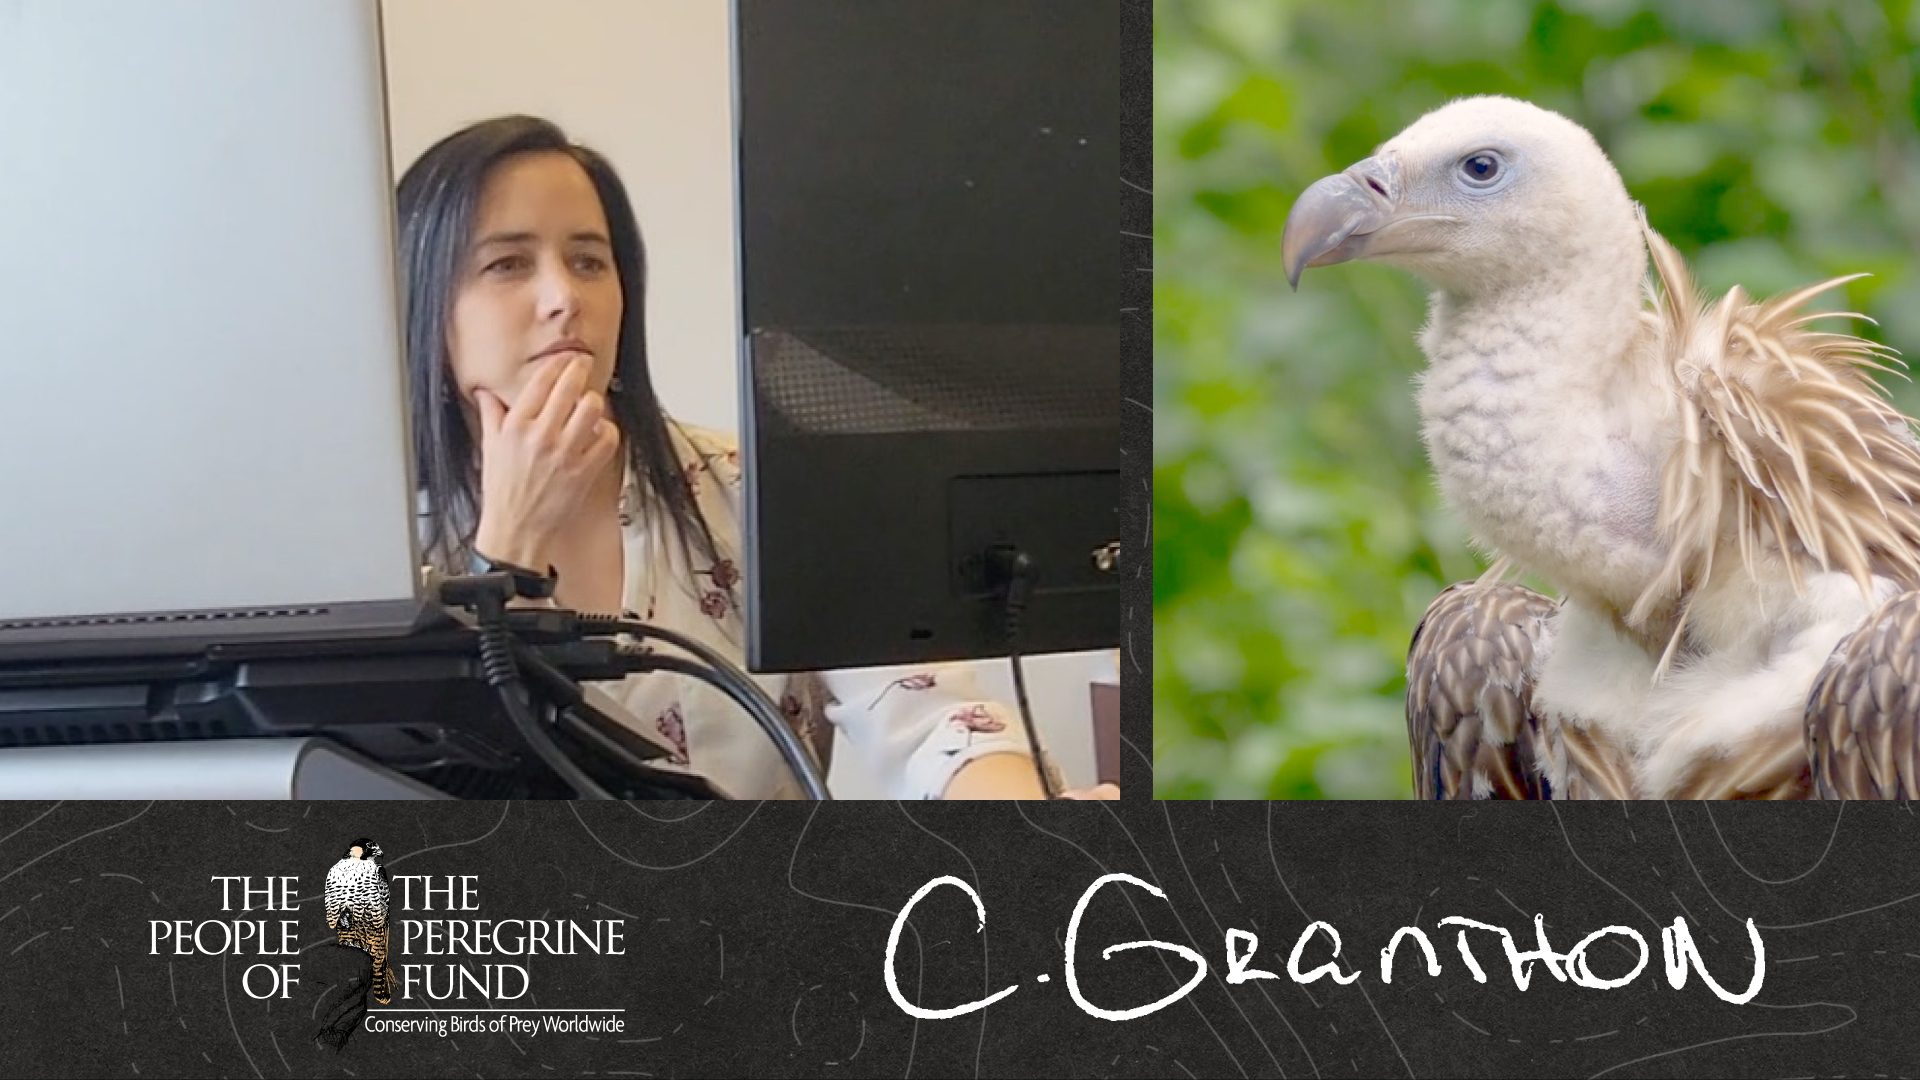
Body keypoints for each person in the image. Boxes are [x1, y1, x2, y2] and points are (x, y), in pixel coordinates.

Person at [397, 115, 1118, 800]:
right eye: (508, 264)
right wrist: (509, 549)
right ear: (426, 306)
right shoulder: (386, 551)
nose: (563, 296)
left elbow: (928, 717)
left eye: (589, 260)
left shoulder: (764, 492)